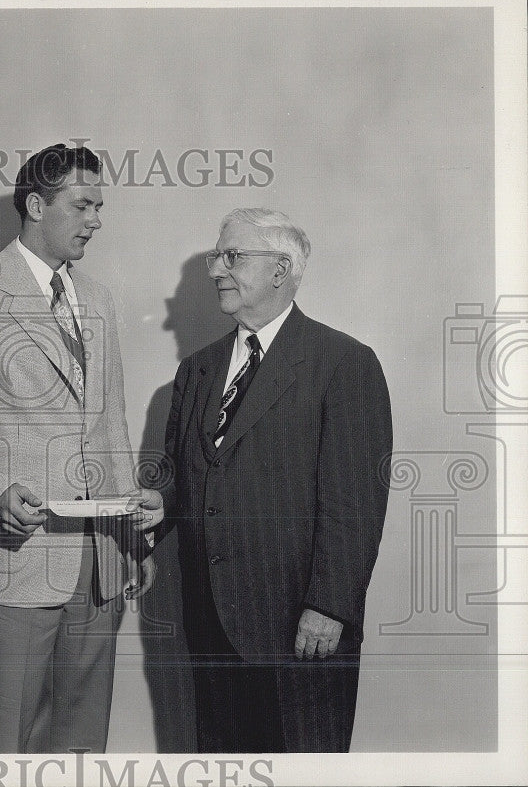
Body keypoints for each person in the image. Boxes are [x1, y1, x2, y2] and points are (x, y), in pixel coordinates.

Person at [0, 143, 163, 754]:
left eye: (99, 206)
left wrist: (131, 541)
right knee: (0, 743)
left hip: (99, 562)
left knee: (81, 739)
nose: (96, 220)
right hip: (14, 559)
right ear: (36, 204)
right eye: (83, 205)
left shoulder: (100, 301)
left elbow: (108, 427)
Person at [164, 208, 392, 752]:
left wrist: (329, 607)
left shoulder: (344, 362)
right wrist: (160, 505)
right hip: (213, 627)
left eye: (231, 256)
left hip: (302, 627)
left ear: (281, 269)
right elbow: (189, 478)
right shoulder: (197, 369)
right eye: (217, 257)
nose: (216, 269)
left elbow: (355, 502)